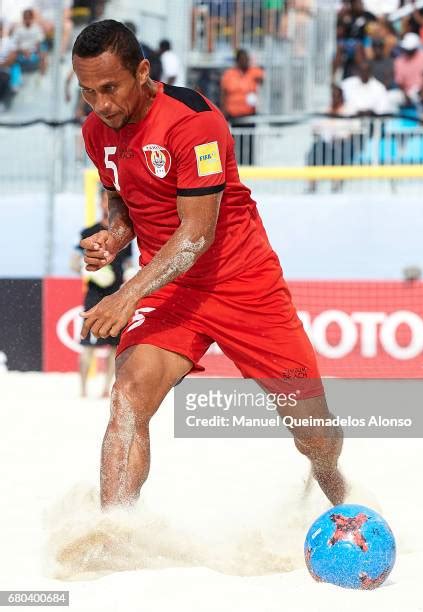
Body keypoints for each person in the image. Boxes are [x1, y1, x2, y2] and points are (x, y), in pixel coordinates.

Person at [72, 19, 346, 509]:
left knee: (315, 433)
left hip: (242, 283)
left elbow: (196, 234)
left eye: (110, 88)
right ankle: (112, 534)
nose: (101, 104)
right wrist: (113, 239)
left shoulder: (193, 119)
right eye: (88, 91)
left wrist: (127, 291)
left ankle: (342, 500)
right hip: (170, 289)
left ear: (142, 71)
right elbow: (124, 202)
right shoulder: (96, 130)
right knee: (127, 398)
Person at [70, 188, 133, 398]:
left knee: (115, 346)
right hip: (95, 293)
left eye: (111, 200)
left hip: (116, 295)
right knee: (87, 343)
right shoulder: (88, 232)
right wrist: (88, 271)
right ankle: (83, 391)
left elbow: (129, 264)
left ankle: (107, 389)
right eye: (105, 200)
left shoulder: (124, 234)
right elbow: (74, 262)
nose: (107, 204)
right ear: (99, 202)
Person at [220, 48, 264, 164]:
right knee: (234, 143)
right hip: (234, 115)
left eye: (247, 59)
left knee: (249, 142)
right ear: (238, 61)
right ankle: (235, 165)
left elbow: (262, 78)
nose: (246, 62)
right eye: (243, 59)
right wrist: (223, 112)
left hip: (249, 114)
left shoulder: (253, 72)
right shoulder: (229, 74)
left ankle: (249, 165)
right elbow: (224, 94)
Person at [12, 8, 47, 74]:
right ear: (23, 18)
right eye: (25, 18)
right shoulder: (18, 29)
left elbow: (39, 42)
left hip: (34, 51)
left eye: (29, 17)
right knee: (12, 54)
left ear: (32, 18)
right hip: (21, 51)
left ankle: (42, 76)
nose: (27, 19)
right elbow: (14, 44)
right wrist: (22, 51)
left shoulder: (37, 28)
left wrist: (34, 51)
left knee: (43, 53)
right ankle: (14, 78)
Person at [394, 32, 423, 99]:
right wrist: (405, 94)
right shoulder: (399, 61)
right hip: (406, 93)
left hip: (422, 91)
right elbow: (400, 82)